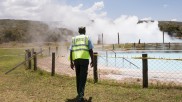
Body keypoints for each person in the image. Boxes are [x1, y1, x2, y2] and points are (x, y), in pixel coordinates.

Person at [69, 27, 94, 102]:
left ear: (78, 31)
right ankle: (80, 96)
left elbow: (71, 51)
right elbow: (90, 50)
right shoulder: (87, 38)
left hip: (76, 60)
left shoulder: (74, 39)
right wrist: (93, 60)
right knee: (83, 77)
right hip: (84, 60)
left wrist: (71, 62)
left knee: (78, 77)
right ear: (85, 31)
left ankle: (79, 93)